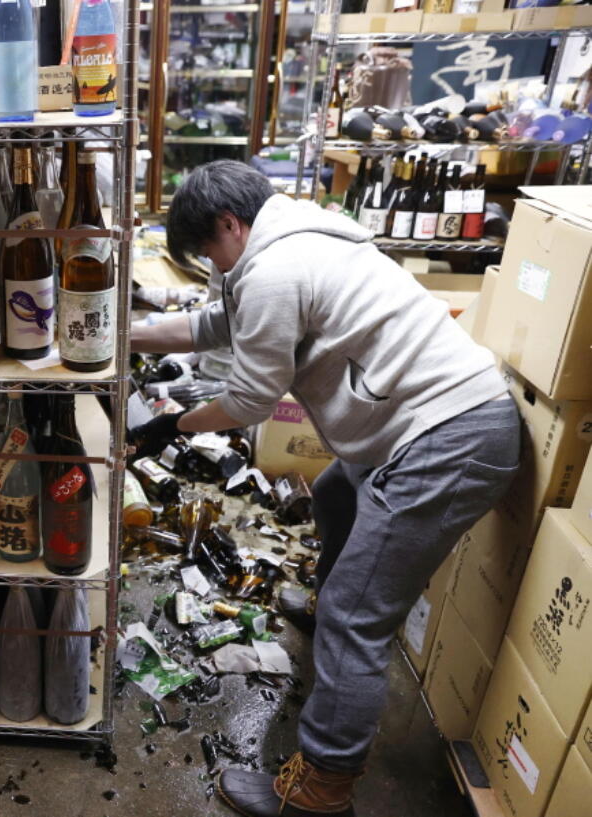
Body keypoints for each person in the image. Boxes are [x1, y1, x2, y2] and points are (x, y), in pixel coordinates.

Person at [129, 160, 520, 817]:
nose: (211, 266)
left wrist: (173, 422)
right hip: (427, 423)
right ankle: (326, 601)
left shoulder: (275, 269)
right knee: (338, 491)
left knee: (356, 615)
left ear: (231, 223)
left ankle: (319, 789)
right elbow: (209, 326)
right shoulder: (298, 238)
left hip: (447, 439)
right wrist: (124, 333)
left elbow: (251, 399)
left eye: (207, 250)